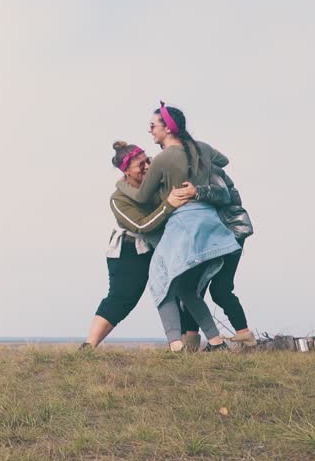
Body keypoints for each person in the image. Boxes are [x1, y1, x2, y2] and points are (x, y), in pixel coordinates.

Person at [114, 103, 239, 352]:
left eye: (153, 126)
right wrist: (198, 172)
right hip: (211, 224)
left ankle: (175, 345)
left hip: (183, 225)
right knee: (186, 287)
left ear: (168, 129)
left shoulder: (163, 159)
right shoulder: (201, 148)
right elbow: (223, 161)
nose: (150, 131)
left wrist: (121, 185)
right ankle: (216, 343)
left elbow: (141, 198)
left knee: (159, 279)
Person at [82, 142, 229, 348]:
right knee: (122, 299)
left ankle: (211, 343)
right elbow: (142, 226)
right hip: (130, 250)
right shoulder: (118, 198)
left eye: (147, 161)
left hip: (161, 245)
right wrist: (169, 204)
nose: (147, 167)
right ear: (126, 170)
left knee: (185, 289)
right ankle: (89, 346)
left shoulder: (156, 183)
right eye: (140, 165)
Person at [180, 160, 255, 348]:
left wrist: (196, 192)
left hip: (230, 232)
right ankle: (191, 342)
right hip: (211, 235)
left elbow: (224, 195)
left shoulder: (206, 168)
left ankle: (246, 337)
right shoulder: (184, 169)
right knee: (194, 288)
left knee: (220, 289)